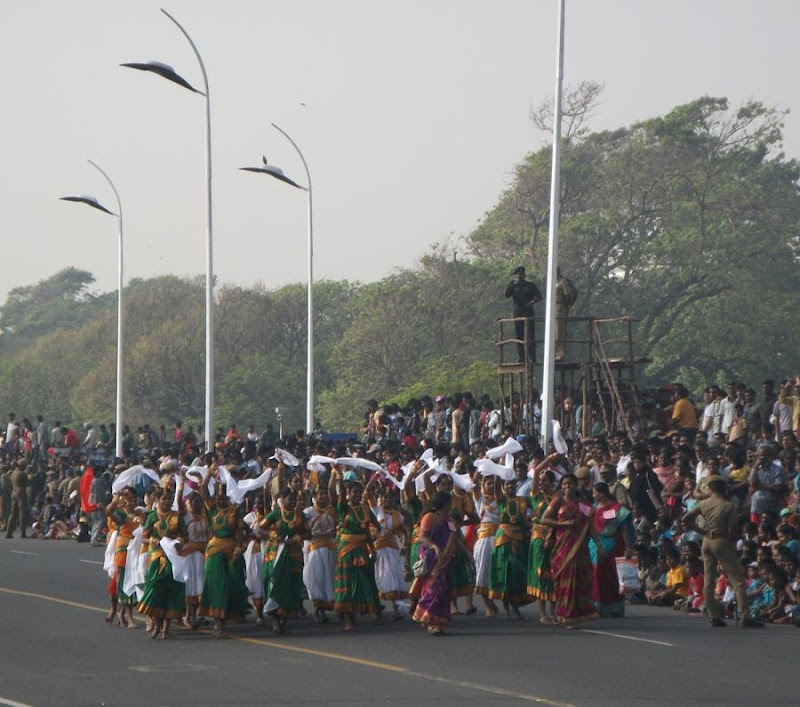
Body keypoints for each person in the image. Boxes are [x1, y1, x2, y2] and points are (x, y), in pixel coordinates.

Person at [682, 475, 763, 628]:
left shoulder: (704, 503)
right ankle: (745, 615)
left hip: (706, 540)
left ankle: (714, 615)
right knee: (737, 579)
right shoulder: (727, 505)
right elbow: (733, 528)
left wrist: (702, 531)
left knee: (709, 579)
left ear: (710, 488)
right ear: (722, 487)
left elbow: (685, 518)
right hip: (722, 539)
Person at [540, 473, 603, 627]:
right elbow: (544, 519)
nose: (567, 487)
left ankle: (576, 615)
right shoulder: (558, 502)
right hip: (562, 547)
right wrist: (562, 524)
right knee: (563, 581)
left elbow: (590, 526)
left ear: (575, 485)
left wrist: (598, 544)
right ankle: (563, 614)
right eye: (564, 484)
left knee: (579, 580)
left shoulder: (583, 504)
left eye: (570, 484)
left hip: (580, 547)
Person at [329, 469, 381, 631]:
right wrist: (338, 476)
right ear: (348, 494)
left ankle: (358, 610)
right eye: (354, 492)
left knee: (361, 582)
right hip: (346, 550)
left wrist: (373, 544)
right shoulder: (343, 508)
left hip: (362, 550)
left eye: (359, 492)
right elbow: (339, 493)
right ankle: (347, 618)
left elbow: (375, 527)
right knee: (347, 583)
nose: (357, 495)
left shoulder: (365, 509)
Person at [260, 489, 309, 633]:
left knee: (292, 584)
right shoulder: (275, 513)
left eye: (294, 500)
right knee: (275, 582)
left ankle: (284, 618)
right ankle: (275, 618)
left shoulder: (300, 515)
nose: (292, 502)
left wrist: (296, 539)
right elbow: (260, 529)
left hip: (294, 555)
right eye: (289, 499)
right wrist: (273, 534)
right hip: (276, 554)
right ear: (282, 499)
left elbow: (308, 533)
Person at [411, 491, 459, 635]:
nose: (452, 504)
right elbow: (423, 538)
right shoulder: (429, 517)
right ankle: (429, 619)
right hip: (431, 557)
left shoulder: (449, 521)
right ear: (445, 503)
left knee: (444, 590)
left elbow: (453, 538)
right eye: (450, 502)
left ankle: (440, 621)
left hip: (444, 559)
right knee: (433, 589)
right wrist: (434, 547)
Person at [488, 479, 532, 619]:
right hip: (503, 540)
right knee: (504, 572)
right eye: (507, 484)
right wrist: (498, 469)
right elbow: (496, 486)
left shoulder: (523, 500)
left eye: (512, 484)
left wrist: (532, 521)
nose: (510, 486)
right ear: (503, 487)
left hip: (519, 539)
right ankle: (507, 608)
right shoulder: (500, 500)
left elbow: (537, 507)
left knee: (517, 573)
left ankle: (515, 606)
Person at [589, 482, 632, 617]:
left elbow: (624, 529)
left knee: (610, 577)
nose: (593, 495)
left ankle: (613, 608)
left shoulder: (617, 509)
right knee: (594, 575)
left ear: (601, 493)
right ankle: (596, 606)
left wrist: (628, 547)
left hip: (611, 544)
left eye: (594, 493)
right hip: (594, 544)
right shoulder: (594, 508)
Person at [303, 484, 337, 623]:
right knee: (316, 578)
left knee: (329, 578)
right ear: (314, 496)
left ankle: (329, 605)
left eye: (325, 494)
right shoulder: (308, 512)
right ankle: (319, 608)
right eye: (320, 494)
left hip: (330, 547)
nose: (323, 496)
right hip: (314, 548)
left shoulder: (332, 511)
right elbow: (303, 528)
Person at [504, 266, 542, 362]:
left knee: (530, 334)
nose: (519, 276)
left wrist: (532, 302)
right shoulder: (514, 285)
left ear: (524, 275)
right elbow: (507, 295)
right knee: (519, 334)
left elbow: (539, 296)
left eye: (521, 274)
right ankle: (521, 357)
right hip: (518, 311)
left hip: (528, 310)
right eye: (517, 274)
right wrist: (510, 283)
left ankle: (532, 356)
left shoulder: (530, 285)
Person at [554, 268, 578, 361]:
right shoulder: (553, 282)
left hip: (560, 306)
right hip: (552, 307)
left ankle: (560, 354)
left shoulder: (562, 282)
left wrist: (568, 306)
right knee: (554, 331)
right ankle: (553, 352)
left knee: (559, 330)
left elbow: (568, 295)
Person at [4, 460, 29, 539]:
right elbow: (28, 484)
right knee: (22, 514)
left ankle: (8, 533)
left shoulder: (13, 473)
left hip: (13, 493)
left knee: (13, 514)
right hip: (21, 494)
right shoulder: (22, 474)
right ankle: (23, 533)